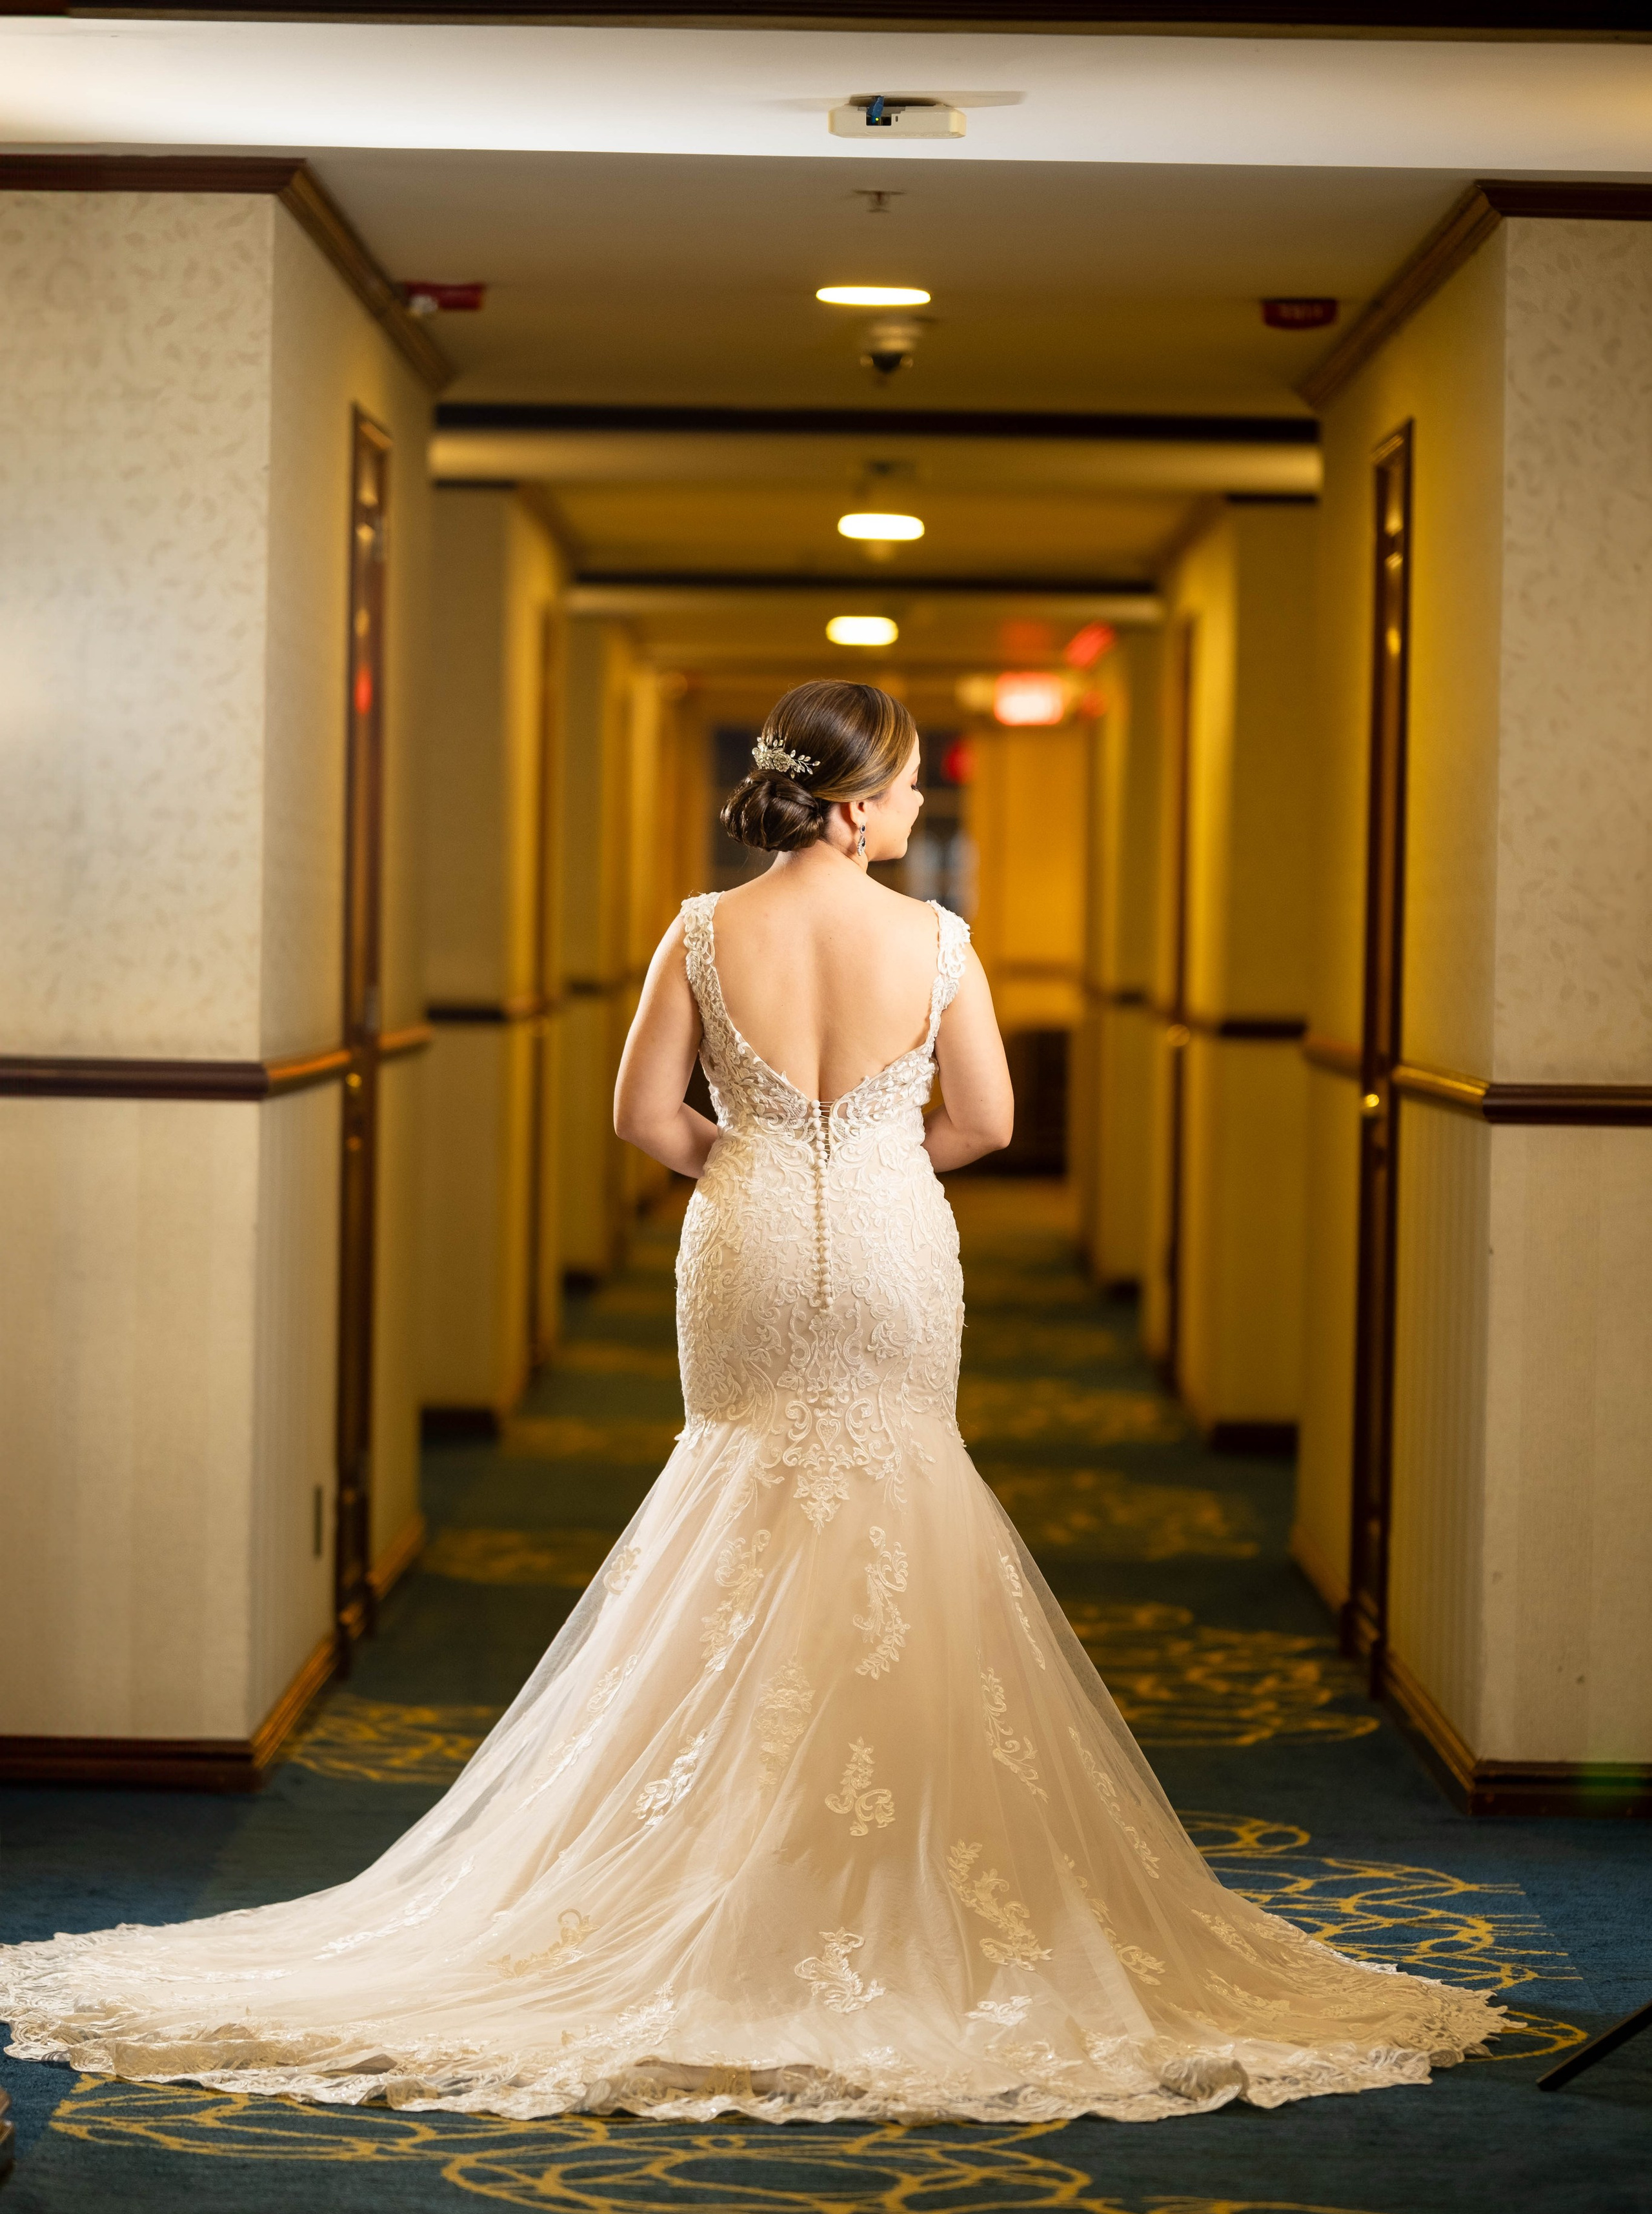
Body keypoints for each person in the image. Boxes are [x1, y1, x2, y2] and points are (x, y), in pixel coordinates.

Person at [0, 680, 1504, 2124]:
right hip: (896, 1238)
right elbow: (983, 1119)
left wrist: (757, 1160)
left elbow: (644, 1118)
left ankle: (720, 1852)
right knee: (907, 1494)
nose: (922, 802)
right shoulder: (937, 938)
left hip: (750, 1239)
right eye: (909, 781)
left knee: (737, 1488)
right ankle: (884, 1874)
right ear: (850, 807)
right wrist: (879, 1162)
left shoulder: (702, 932)